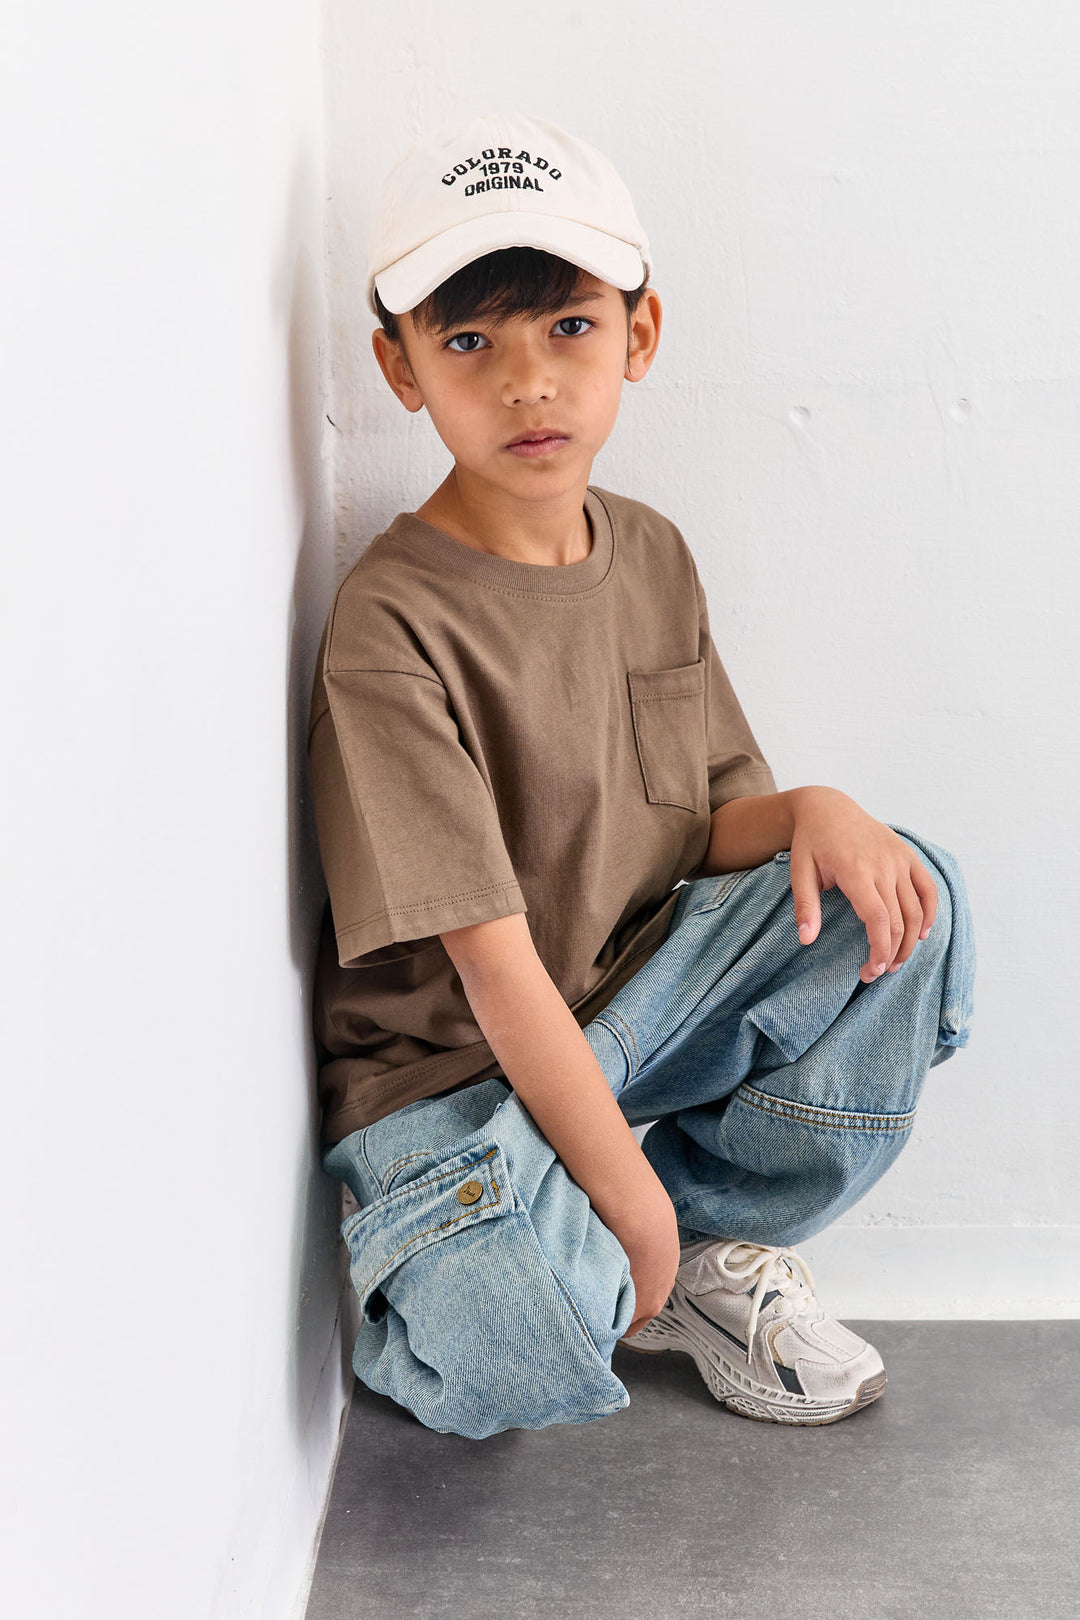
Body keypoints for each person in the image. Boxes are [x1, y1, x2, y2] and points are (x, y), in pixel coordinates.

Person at [307, 112, 976, 1441]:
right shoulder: (392, 624)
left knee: (901, 891)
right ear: (399, 369)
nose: (528, 383)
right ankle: (553, 1234)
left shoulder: (652, 553)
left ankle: (692, 1250)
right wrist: (627, 1199)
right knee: (513, 1355)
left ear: (639, 334)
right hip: (454, 1075)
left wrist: (819, 812)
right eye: (468, 343)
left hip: (625, 1016)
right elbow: (492, 968)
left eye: (569, 327)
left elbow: (706, 825)